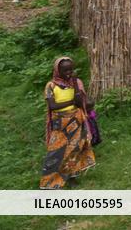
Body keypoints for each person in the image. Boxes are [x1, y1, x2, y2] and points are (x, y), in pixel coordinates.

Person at [41, 57, 96, 189]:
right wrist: (72, 102)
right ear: (57, 70)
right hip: (59, 123)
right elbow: (53, 106)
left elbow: (81, 103)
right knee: (55, 152)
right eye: (65, 70)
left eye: (71, 70)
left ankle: (72, 177)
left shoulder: (76, 83)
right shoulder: (51, 86)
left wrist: (76, 86)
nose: (69, 73)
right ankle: (49, 182)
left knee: (74, 150)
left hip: (76, 121)